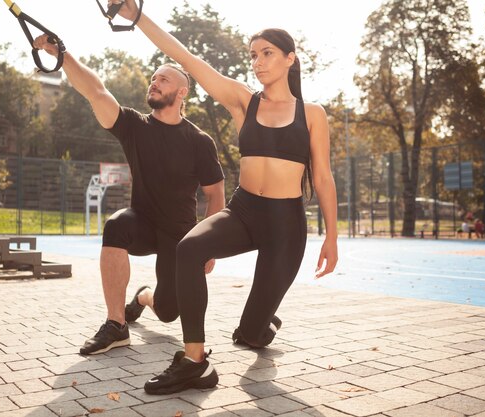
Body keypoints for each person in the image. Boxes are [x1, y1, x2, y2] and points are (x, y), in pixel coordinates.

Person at [112, 0, 339, 395]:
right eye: (253, 55)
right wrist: (137, 17)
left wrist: (332, 238)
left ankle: (261, 322)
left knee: (250, 334)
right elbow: (186, 57)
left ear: (290, 58)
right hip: (245, 209)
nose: (258, 62)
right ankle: (194, 362)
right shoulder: (243, 100)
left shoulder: (313, 114)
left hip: (285, 224)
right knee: (189, 248)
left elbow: (322, 176)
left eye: (267, 53)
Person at [33, 34, 226, 355]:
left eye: (163, 79)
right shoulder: (135, 126)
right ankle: (116, 324)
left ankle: (142, 298)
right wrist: (62, 54)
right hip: (143, 223)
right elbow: (95, 91)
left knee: (167, 311)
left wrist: (208, 243)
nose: (154, 82)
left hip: (180, 236)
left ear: (181, 92)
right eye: (153, 78)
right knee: (115, 225)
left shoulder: (199, 140)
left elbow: (216, 195)